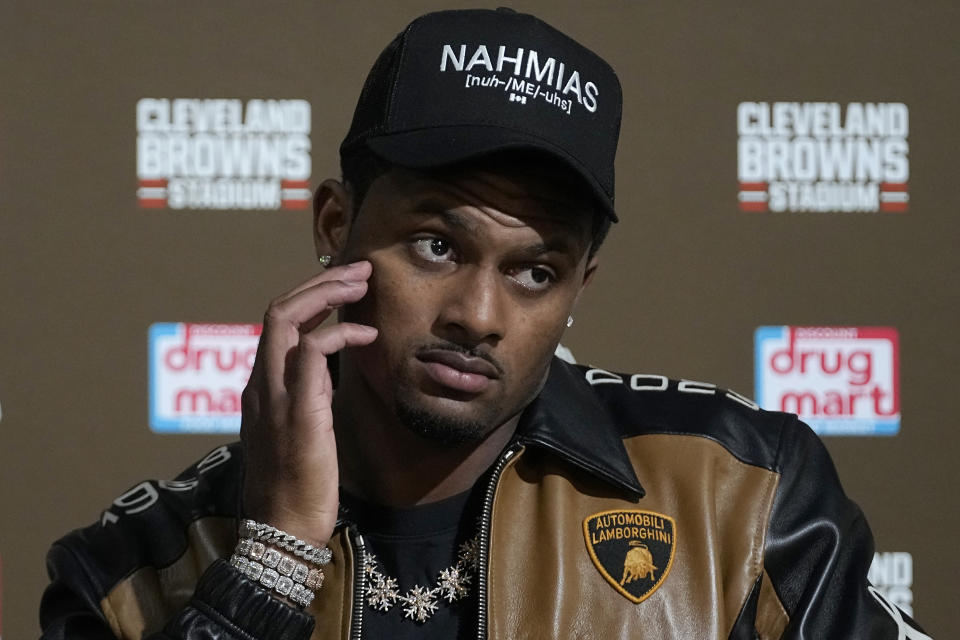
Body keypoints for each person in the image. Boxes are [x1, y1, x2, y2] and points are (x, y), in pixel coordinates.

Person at [40, 8, 930, 640]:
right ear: (335, 226)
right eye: (435, 246)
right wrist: (269, 567)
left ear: (581, 282)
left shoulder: (746, 499)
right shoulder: (133, 572)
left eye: (535, 272)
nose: (477, 315)